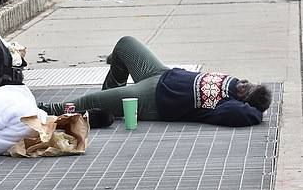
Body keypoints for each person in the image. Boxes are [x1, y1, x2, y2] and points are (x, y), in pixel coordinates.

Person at [39, 36, 272, 127]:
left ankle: (46, 110)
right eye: (248, 82)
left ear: (244, 99)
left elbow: (248, 117)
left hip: (152, 99)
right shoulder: (233, 85)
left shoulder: (229, 107)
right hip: (160, 73)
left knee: (85, 100)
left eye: (247, 87)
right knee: (125, 44)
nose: (244, 82)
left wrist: (254, 110)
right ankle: (109, 95)